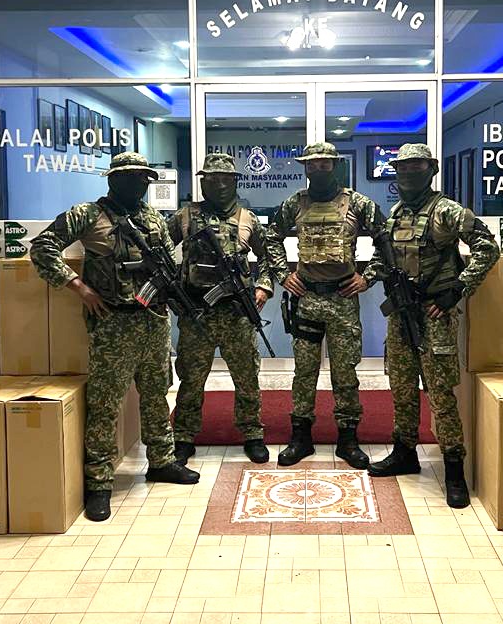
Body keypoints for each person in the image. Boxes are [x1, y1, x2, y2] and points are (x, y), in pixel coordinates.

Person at [30, 151, 199, 524]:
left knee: (156, 395)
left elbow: (166, 265)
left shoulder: (152, 218)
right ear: (114, 179)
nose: (140, 183)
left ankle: (162, 460)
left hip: (153, 320)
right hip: (112, 324)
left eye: (144, 178)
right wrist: (78, 286)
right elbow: (42, 247)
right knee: (105, 405)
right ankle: (99, 482)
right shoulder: (88, 214)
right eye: (133, 177)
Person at [365, 143, 500, 508]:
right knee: (402, 387)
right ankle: (404, 452)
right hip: (401, 315)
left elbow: (488, 248)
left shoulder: (446, 211)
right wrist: (369, 276)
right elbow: (383, 257)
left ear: (432, 169)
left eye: (416, 167)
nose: (408, 173)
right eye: (403, 167)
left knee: (440, 394)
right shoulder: (397, 213)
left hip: (434, 315)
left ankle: (454, 469)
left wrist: (457, 290)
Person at [265, 141, 386, 469]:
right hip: (307, 299)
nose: (318, 169)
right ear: (305, 168)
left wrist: (367, 277)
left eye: (324, 164)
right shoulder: (295, 203)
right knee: (304, 372)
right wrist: (283, 274)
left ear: (334, 166)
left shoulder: (357, 202)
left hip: (342, 299)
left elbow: (386, 240)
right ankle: (300, 436)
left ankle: (348, 438)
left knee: (345, 372)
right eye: (312, 164)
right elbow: (270, 238)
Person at [167, 152, 274, 465]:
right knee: (191, 377)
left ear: (235, 181)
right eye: (212, 179)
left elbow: (269, 256)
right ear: (203, 182)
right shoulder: (185, 216)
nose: (219, 185)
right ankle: (183, 436)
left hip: (236, 314)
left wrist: (263, 286)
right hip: (196, 313)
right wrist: (173, 288)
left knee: (247, 376)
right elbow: (160, 250)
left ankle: (252, 433)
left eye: (225, 179)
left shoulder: (247, 219)